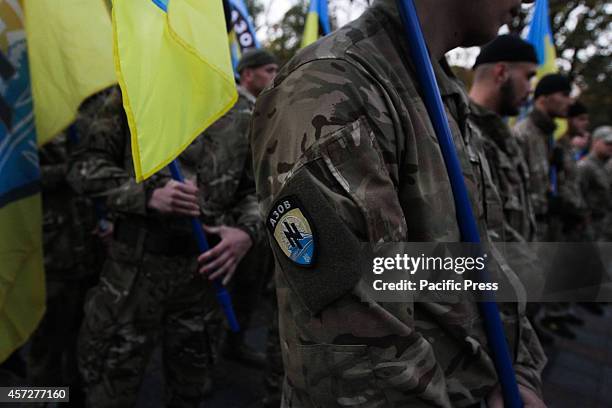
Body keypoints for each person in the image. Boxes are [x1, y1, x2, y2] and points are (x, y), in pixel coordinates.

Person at [250, 0, 546, 407]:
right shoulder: (333, 86)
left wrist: (517, 369)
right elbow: (359, 354)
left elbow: (481, 255)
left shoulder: (439, 90)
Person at [68, 83, 261, 407]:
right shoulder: (131, 93)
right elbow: (82, 168)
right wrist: (145, 194)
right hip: (131, 278)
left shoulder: (243, 107)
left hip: (203, 279)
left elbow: (259, 187)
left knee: (191, 389)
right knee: (109, 388)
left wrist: (247, 232)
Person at [201, 49, 279, 369]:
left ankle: (233, 343)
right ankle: (217, 349)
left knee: (249, 288)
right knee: (220, 294)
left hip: (251, 221)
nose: (275, 76)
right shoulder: (229, 109)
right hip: (222, 224)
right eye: (269, 70)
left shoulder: (262, 110)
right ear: (247, 73)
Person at [28, 130, 106, 406]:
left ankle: (73, 396)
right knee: (45, 346)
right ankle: (38, 399)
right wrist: (69, 171)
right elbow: (16, 176)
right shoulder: (20, 112)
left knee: (84, 338)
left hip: (88, 245)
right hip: (49, 252)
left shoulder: (86, 116)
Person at [469, 34, 538, 242]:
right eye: (528, 77)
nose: (530, 89)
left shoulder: (506, 137)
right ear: (501, 73)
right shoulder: (458, 132)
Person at [514, 73, 574, 242]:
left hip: (550, 232)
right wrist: (544, 205)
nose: (570, 101)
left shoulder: (548, 136)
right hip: (529, 237)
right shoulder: (522, 134)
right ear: (544, 97)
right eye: (564, 95)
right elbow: (513, 192)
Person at [577, 126, 612, 242]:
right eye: (608, 143)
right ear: (596, 142)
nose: (611, 147)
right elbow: (578, 195)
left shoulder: (607, 165)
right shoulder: (585, 166)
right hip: (591, 227)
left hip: (606, 226)